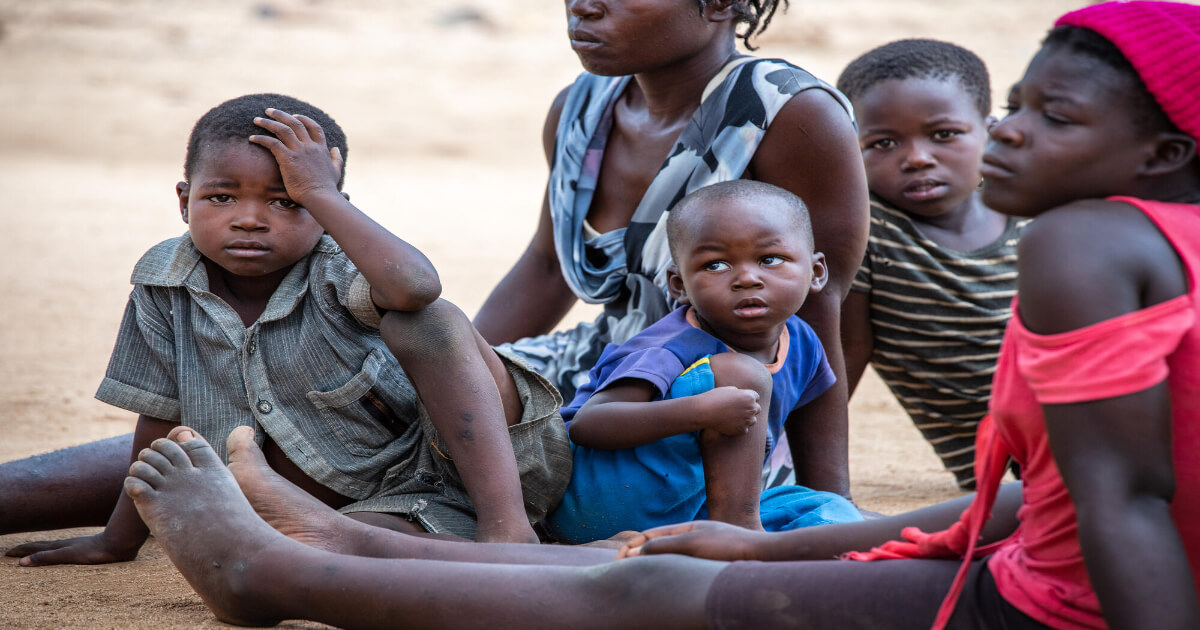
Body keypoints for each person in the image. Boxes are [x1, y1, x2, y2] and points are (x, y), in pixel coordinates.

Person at [111, 2, 1200, 628]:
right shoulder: (582, 107)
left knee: (658, 585)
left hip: (693, 418)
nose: (1002, 135)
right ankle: (334, 537)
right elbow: (545, 268)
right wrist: (440, 399)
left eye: (1045, 117)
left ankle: (293, 567)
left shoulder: (1062, 237)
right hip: (587, 373)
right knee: (311, 398)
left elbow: (818, 314)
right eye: (1014, 106)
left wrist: (810, 503)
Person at [3, 93, 572, 567]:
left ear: (327, 211)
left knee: (432, 320)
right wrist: (119, 538)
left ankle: (507, 533)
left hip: (464, 469)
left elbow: (416, 288)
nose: (250, 218)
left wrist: (319, 193)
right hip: (370, 509)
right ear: (183, 201)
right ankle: (438, 545)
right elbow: (160, 419)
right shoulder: (162, 285)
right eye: (221, 197)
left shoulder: (339, 267)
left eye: (284, 201)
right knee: (329, 548)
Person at [473, 0, 869, 497]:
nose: (583, 8)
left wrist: (830, 499)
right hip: (610, 370)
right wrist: (460, 366)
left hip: (713, 399)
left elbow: (815, 304)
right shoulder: (580, 107)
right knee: (405, 376)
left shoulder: (791, 114)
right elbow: (548, 267)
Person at [545, 181, 862, 543]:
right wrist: (699, 411)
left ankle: (747, 539)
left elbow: (820, 468)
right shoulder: (668, 347)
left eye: (770, 259)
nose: (747, 278)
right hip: (600, 502)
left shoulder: (803, 341)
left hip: (699, 506)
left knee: (823, 510)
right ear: (678, 285)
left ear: (817, 272)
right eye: (716, 265)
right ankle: (741, 539)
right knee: (739, 374)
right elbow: (589, 424)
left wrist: (840, 507)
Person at [835, 39, 1027, 490]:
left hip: (1090, 419)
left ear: (991, 130)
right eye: (882, 143)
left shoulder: (1036, 214)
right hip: (1010, 468)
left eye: (944, 135)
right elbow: (846, 353)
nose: (917, 158)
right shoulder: (869, 232)